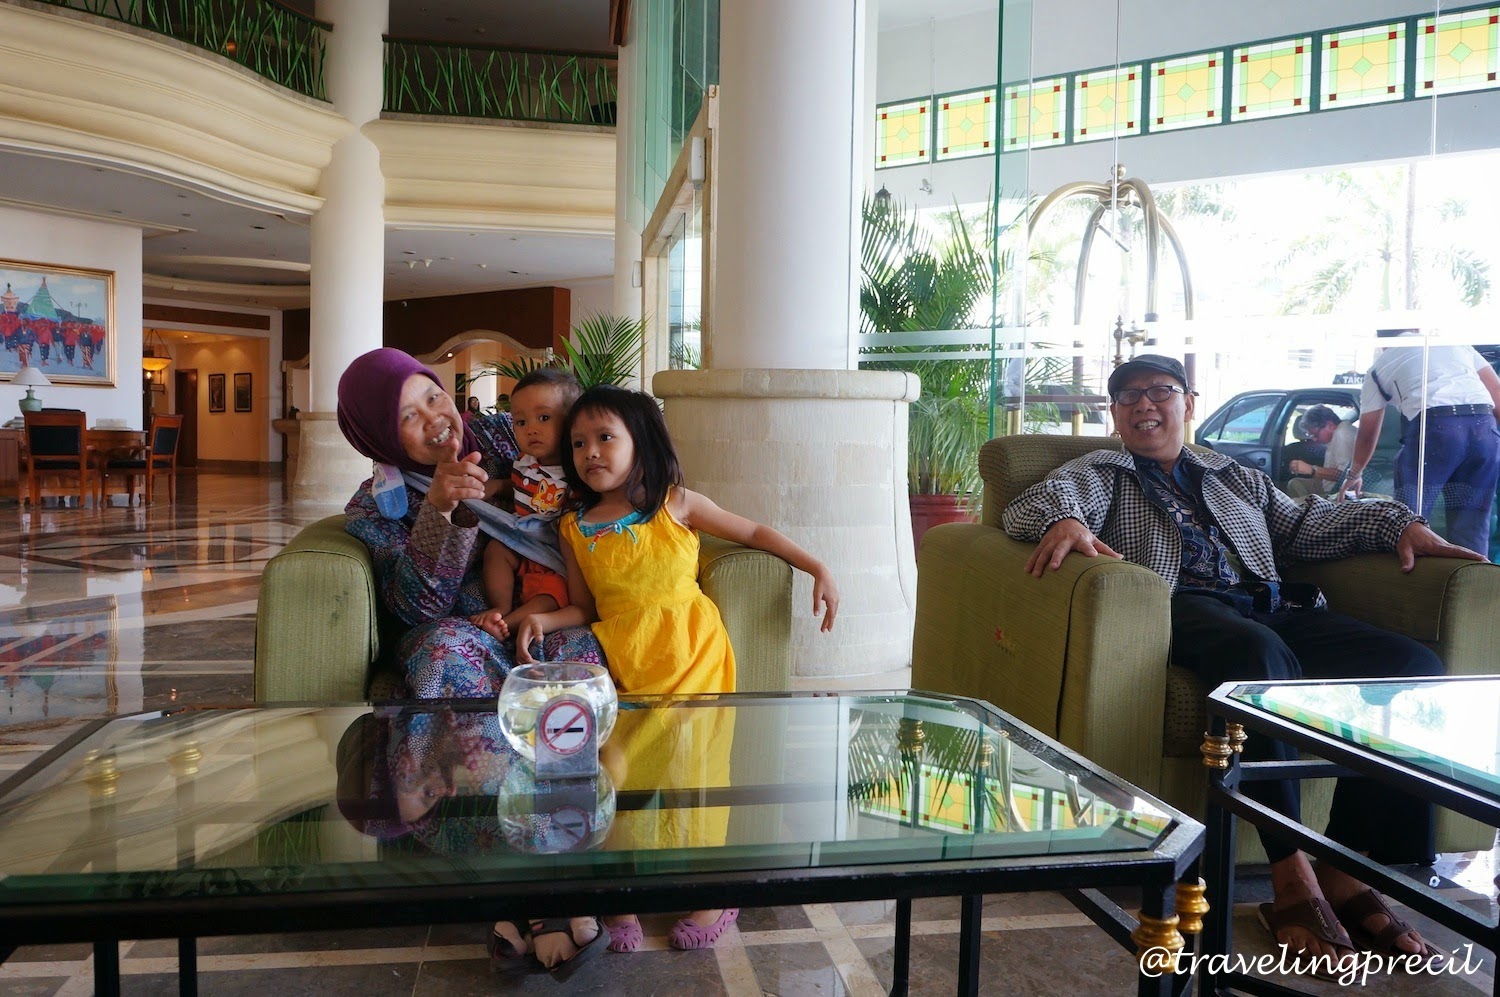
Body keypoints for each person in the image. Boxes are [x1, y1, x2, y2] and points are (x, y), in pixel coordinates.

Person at [1002, 354, 1481, 973]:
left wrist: (1398, 525)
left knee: (1410, 666)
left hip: (1271, 605)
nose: (1144, 404)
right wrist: (1066, 518)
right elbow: (1031, 507)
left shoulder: (1233, 474)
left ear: (1188, 403)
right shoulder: (1098, 472)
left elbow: (1306, 523)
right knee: (1257, 655)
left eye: (1160, 391)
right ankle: (1290, 874)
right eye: (1127, 396)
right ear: (1115, 416)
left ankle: (1349, 869)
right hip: (1183, 608)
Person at [515, 384, 841, 953]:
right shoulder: (574, 527)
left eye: (605, 437)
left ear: (641, 441)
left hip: (693, 655)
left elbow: (752, 532)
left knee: (695, 770)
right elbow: (585, 607)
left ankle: (711, 893)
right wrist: (543, 619)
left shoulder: (674, 502)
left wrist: (818, 566)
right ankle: (622, 895)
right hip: (629, 662)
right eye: (579, 443)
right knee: (619, 771)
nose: (591, 452)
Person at [336, 348, 609, 974]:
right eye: (408, 415)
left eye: (433, 396)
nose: (436, 418)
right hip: (458, 630)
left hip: (546, 608)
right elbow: (416, 607)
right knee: (443, 659)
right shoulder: (376, 506)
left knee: (578, 658)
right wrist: (439, 512)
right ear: (378, 435)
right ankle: (528, 885)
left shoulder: (506, 433)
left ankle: (555, 870)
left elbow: (599, 443)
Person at [336, 707, 608, 977]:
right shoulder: (430, 812)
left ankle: (534, 909)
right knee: (469, 823)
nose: (446, 790)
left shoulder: (425, 731)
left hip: (497, 720)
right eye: (430, 797)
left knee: (498, 786)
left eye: (424, 788)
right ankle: (532, 907)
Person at [1352, 329, 1500, 554]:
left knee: (1409, 522)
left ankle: (1413, 572)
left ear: (1382, 342)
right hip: (1484, 428)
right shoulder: (1454, 343)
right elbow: (1497, 394)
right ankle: (1474, 573)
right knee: (1473, 525)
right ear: (1416, 330)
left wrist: (1354, 474)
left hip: (1434, 430)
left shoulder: (1379, 367)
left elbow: (1367, 433)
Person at [470, 367, 579, 643]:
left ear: (571, 423)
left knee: (553, 594)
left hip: (555, 555)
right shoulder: (524, 461)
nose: (531, 429)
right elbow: (520, 487)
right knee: (495, 550)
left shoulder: (576, 470)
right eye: (520, 422)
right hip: (521, 542)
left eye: (544, 418)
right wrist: (498, 486)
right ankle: (501, 606)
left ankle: (506, 625)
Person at [1286, 405, 1357, 499]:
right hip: (1329, 485)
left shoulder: (1342, 435)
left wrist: (1311, 470)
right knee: (1295, 484)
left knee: (1296, 493)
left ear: (1329, 425)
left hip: (1337, 492)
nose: (1314, 439)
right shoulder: (1338, 433)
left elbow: (1345, 476)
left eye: (1315, 435)